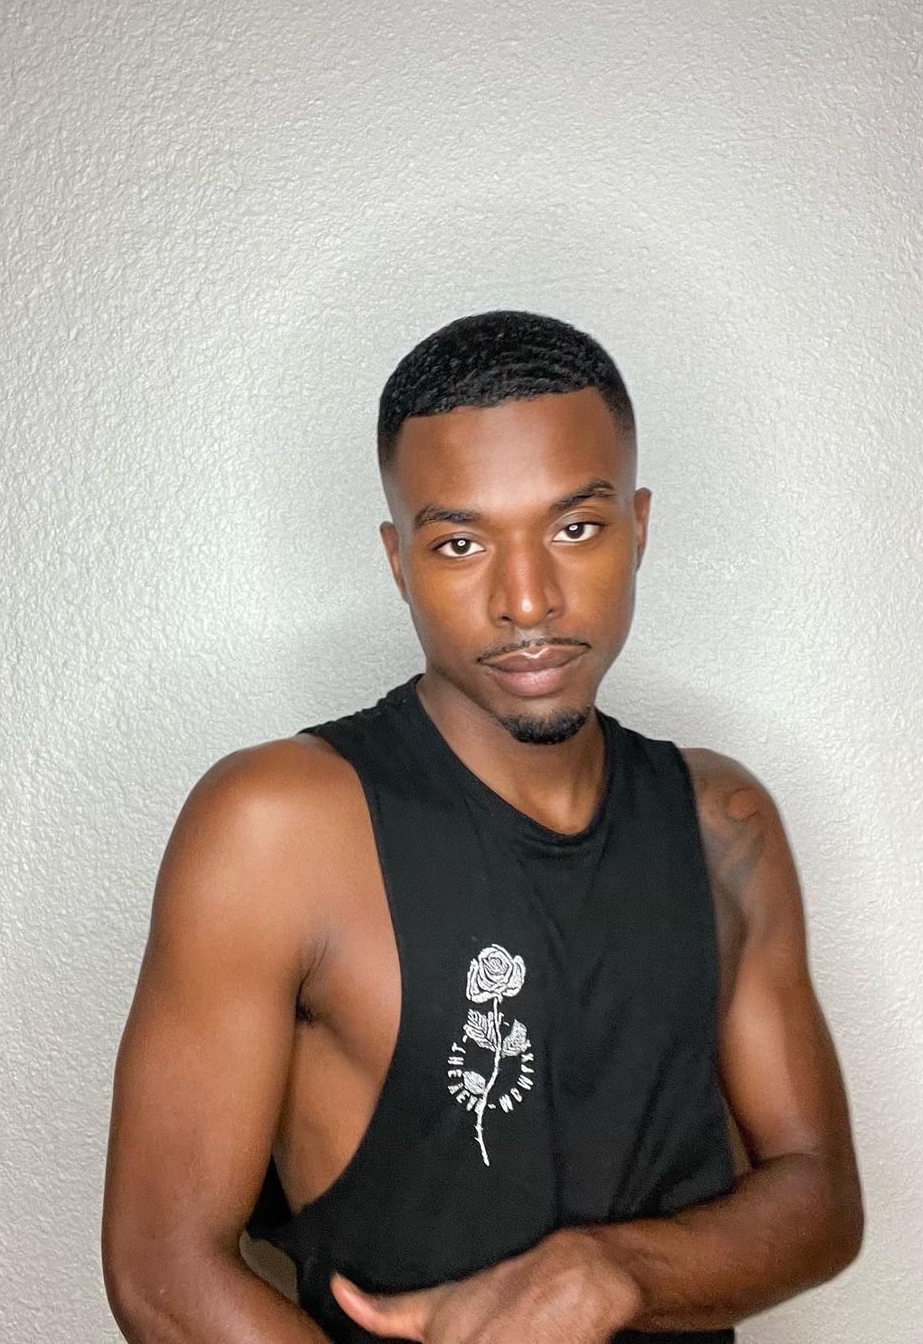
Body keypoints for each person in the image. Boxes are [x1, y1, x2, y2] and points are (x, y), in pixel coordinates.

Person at [101, 310, 864, 1343]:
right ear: (398, 561)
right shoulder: (277, 828)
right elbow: (163, 1271)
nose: (527, 600)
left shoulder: (723, 826)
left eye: (575, 528)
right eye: (460, 543)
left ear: (638, 527)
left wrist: (610, 1273)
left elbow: (820, 1197)